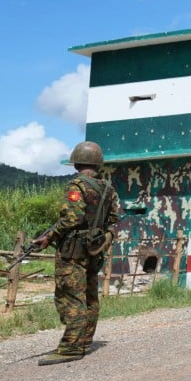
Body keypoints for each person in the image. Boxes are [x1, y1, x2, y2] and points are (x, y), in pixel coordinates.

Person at [32, 141, 120, 366]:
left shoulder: (77, 186)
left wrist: (48, 236)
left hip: (73, 252)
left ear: (77, 162)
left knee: (70, 295)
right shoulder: (108, 189)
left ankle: (71, 347)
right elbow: (113, 221)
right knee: (90, 294)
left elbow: (72, 218)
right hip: (94, 250)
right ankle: (83, 341)